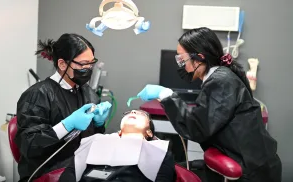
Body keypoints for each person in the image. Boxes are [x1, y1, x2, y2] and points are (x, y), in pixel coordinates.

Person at [136, 27, 282, 182]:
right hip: (252, 162)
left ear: (199, 58)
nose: (181, 65)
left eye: (182, 59)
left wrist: (165, 95)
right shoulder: (221, 77)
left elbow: (198, 128)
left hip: (253, 172)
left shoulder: (221, 81)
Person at [15, 33, 112, 182]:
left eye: (91, 63)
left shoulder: (88, 93)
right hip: (46, 171)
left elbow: (91, 140)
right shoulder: (37, 95)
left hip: (80, 167)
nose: (88, 68)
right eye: (83, 64)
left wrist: (99, 124)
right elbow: (30, 144)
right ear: (62, 64)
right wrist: (66, 126)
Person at [59, 110, 176, 182]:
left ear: (149, 132)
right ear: (120, 130)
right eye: (128, 113)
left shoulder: (158, 151)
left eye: (141, 114)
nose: (133, 112)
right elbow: (70, 174)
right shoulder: (96, 141)